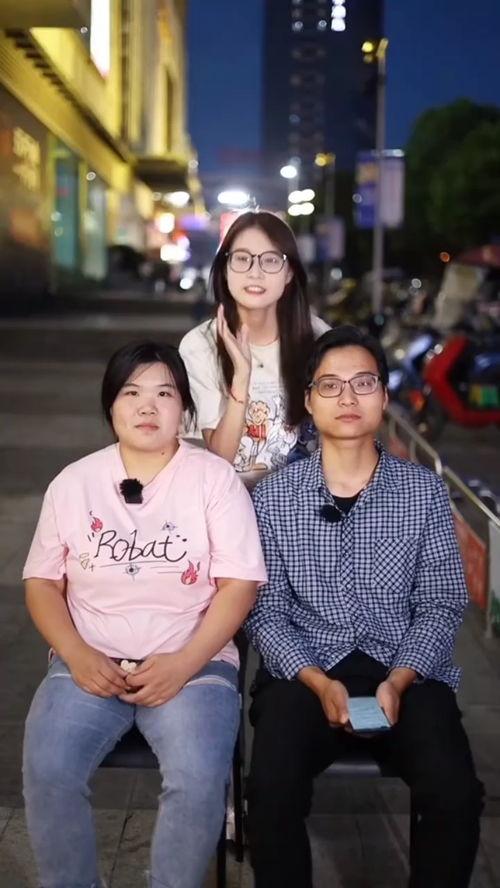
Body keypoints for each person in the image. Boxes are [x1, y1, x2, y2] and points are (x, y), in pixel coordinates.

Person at [244, 325, 483, 888]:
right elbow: (265, 611)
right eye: (330, 385)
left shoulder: (423, 492)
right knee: (269, 793)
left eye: (363, 383)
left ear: (384, 395)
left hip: (406, 671)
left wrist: (399, 681)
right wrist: (318, 681)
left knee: (456, 794)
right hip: (304, 674)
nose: (348, 397)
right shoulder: (274, 497)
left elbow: (441, 602)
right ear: (308, 401)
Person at [22, 341, 267, 888]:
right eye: (131, 393)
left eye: (165, 393)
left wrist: (183, 664)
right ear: (111, 405)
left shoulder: (213, 479)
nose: (147, 407)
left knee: (198, 778)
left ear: (185, 409)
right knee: (48, 771)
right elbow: (42, 583)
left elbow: (239, 585)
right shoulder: (74, 482)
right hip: (89, 663)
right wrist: (77, 654)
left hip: (194, 665)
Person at [179, 210, 329, 480]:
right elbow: (219, 459)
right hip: (233, 499)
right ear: (225, 269)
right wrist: (242, 376)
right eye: (242, 259)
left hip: (306, 499)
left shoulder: (317, 336)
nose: (255, 272)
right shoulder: (199, 345)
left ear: (289, 272)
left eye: (270, 260)